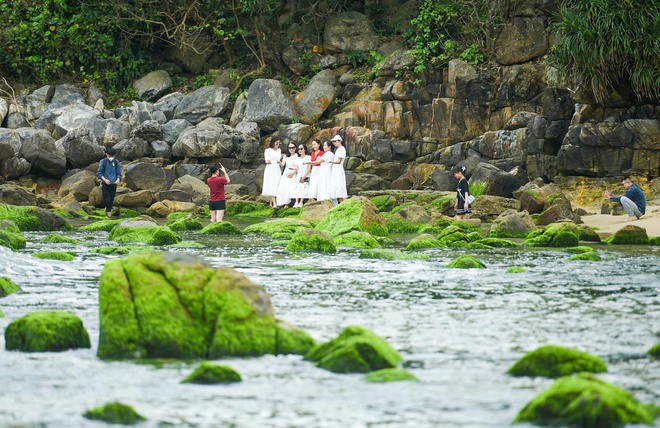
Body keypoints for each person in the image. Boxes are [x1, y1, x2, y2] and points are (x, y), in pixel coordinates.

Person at [96, 147, 122, 218]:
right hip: (105, 184)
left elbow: (119, 173)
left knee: (111, 199)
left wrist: (118, 180)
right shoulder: (103, 162)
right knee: (107, 200)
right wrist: (105, 180)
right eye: (109, 156)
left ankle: (106, 209)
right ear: (106, 154)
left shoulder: (116, 162)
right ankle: (109, 215)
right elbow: (99, 173)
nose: (111, 157)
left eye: (112, 156)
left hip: (114, 184)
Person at [275, 142, 299, 207]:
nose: (291, 149)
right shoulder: (286, 156)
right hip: (286, 173)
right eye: (289, 148)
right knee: (281, 187)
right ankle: (279, 203)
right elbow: (283, 164)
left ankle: (287, 204)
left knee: (288, 187)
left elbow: (297, 166)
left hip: (293, 172)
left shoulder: (297, 156)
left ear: (295, 148)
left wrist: (293, 172)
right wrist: (278, 161)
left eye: (293, 148)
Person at [262, 139, 282, 208]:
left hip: (277, 168)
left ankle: (271, 203)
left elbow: (279, 160)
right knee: (271, 184)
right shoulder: (268, 150)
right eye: (276, 143)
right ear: (273, 143)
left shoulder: (279, 150)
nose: (278, 145)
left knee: (277, 184)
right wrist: (271, 161)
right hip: (270, 169)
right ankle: (274, 203)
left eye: (279, 143)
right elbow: (266, 160)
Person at [329, 135, 348, 205]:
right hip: (335, 171)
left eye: (335, 141)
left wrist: (331, 162)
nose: (334, 143)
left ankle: (346, 204)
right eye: (333, 141)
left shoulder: (342, 149)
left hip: (338, 170)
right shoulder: (338, 149)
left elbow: (339, 161)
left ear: (339, 141)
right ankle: (342, 204)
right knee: (337, 188)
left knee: (341, 187)